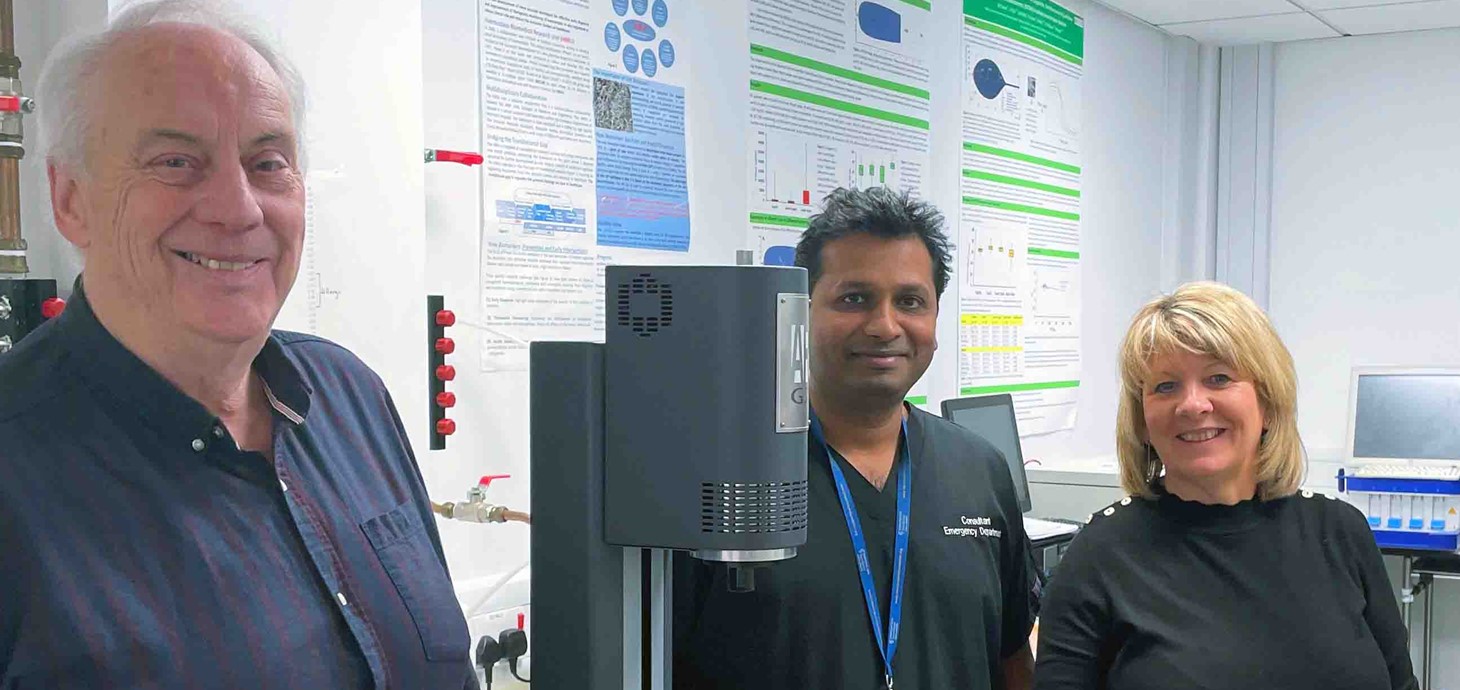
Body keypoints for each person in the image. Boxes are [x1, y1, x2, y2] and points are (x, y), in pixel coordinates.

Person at [0, 1, 475, 687]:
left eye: (267, 162)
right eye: (175, 161)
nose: (239, 208)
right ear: (71, 199)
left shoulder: (349, 396)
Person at [674, 187, 1037, 690]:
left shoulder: (981, 470)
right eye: (854, 298)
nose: (884, 325)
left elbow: (1011, 656)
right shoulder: (722, 473)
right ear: (799, 311)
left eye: (910, 300)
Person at [1034, 282, 1417, 690]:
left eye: (1219, 377)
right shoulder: (1100, 555)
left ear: (1267, 404)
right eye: (1166, 386)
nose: (1193, 404)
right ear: (1142, 421)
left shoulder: (1340, 532)